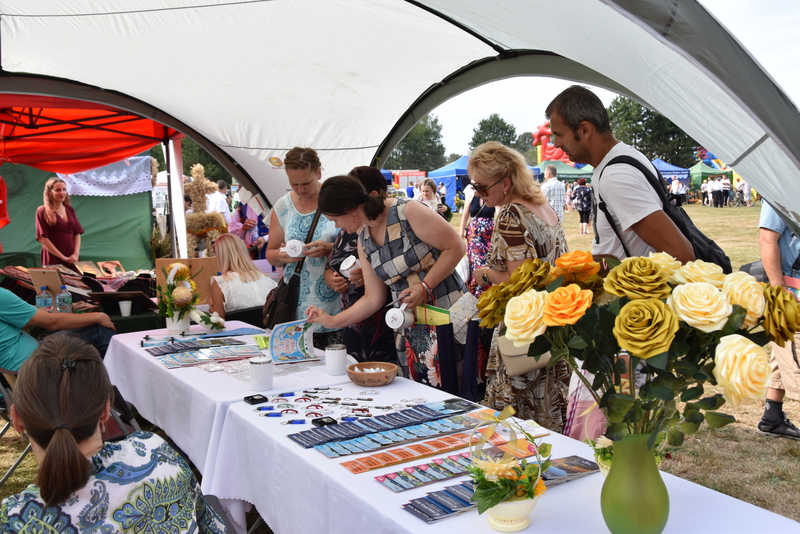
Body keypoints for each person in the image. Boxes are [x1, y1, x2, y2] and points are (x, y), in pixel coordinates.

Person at [1, 336, 226, 533]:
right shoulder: (156, 451)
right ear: (105, 411)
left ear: (17, 419)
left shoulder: (14, 520)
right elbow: (208, 524)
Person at [306, 176, 465, 386]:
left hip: (444, 310)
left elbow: (457, 247)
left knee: (456, 383)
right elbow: (373, 298)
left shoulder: (406, 211)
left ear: (350, 210)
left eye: (335, 219)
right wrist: (332, 320)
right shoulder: (363, 238)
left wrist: (425, 286)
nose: (337, 226)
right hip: (408, 324)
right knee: (421, 389)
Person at [468, 141, 570, 431]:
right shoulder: (542, 207)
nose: (478, 194)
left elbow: (516, 281)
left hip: (523, 326)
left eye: (482, 187)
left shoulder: (512, 214)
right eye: (474, 186)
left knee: (514, 422)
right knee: (547, 413)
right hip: (552, 324)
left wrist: (484, 274)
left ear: (506, 183)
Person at [545, 85, 694, 263]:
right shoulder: (626, 156)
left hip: (629, 290)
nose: (556, 144)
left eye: (559, 134)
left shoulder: (615, 176)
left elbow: (681, 254)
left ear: (584, 129)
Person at [265, 147, 341, 349]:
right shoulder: (282, 206)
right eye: (294, 184)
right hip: (295, 309)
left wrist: (330, 248)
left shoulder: (336, 198)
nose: (300, 189)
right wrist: (282, 256)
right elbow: (271, 254)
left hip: (336, 307)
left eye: (306, 183)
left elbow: (359, 242)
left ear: (318, 172)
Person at [324, 167, 395, 363]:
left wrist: (373, 275)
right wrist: (332, 278)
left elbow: (454, 247)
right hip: (357, 320)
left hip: (387, 321)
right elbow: (331, 265)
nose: (336, 224)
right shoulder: (355, 232)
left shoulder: (398, 216)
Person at [0, 287, 115, 384]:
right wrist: (98, 316)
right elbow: (52, 323)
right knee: (97, 330)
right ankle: (122, 394)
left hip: (10, 370)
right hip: (33, 366)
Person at [756, 201, 800, 439]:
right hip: (792, 289)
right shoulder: (778, 188)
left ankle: (772, 418)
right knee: (794, 355)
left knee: (783, 352)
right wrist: (780, 291)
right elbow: (767, 239)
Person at [210, 233, 277, 319]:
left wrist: (212, 308)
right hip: (268, 330)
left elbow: (218, 323)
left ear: (221, 257)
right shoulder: (267, 279)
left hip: (238, 331)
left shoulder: (221, 283)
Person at [35, 177, 84, 268]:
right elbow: (42, 238)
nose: (62, 193)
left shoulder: (69, 209)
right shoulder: (42, 211)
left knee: (75, 281)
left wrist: (75, 254)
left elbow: (77, 233)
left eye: (64, 189)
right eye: (57, 190)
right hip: (53, 256)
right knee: (55, 281)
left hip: (72, 257)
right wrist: (62, 257)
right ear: (49, 192)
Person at [458, 180, 495, 297]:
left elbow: (498, 213)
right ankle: (476, 293)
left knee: (487, 263)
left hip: (489, 234)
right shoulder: (470, 196)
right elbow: (464, 217)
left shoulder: (492, 196)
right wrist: (461, 232)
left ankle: (485, 292)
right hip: (474, 234)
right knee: (476, 263)